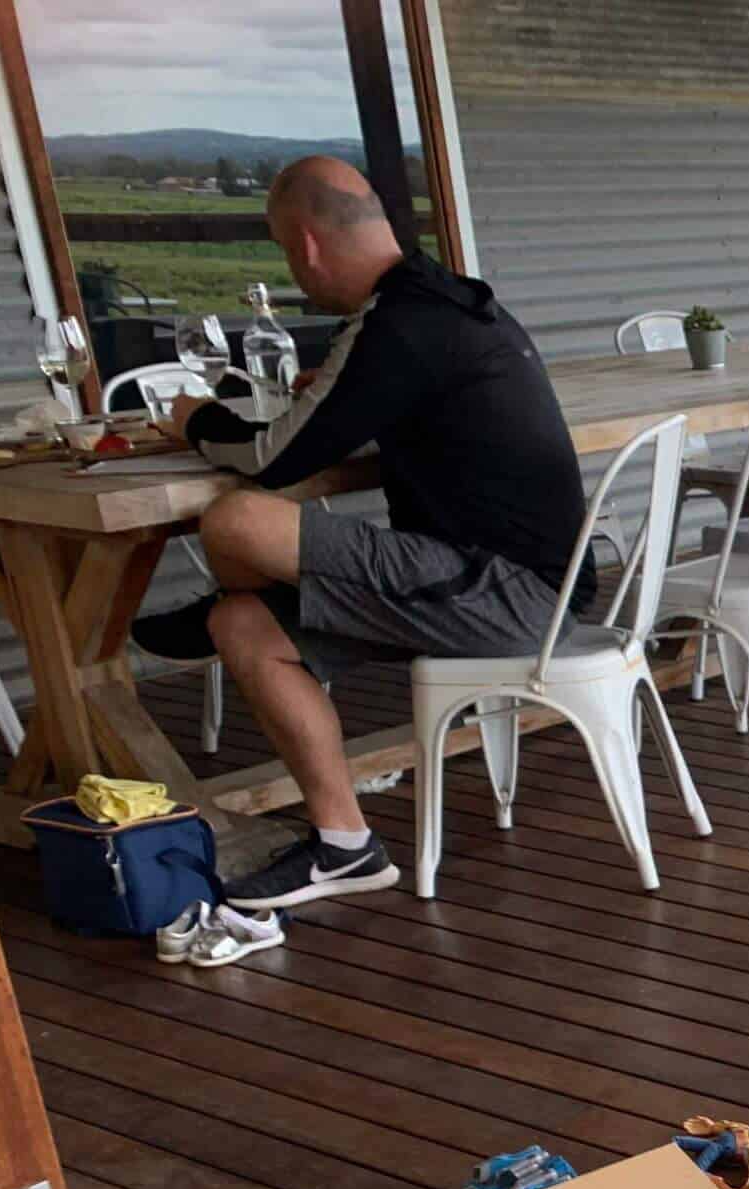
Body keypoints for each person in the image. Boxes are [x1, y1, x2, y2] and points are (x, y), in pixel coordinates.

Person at [135, 155, 593, 910]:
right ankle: (346, 847)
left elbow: (274, 459)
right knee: (242, 624)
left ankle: (240, 585)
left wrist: (195, 421)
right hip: (505, 584)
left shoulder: (398, 322)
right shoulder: (445, 303)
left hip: (503, 593)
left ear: (306, 245)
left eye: (288, 251)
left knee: (238, 520)